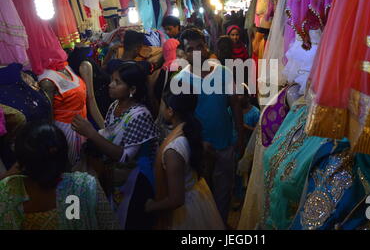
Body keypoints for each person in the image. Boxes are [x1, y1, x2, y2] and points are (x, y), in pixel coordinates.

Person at [71, 63, 160, 230]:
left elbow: (125, 156)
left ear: (132, 89)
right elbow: (109, 135)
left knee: (132, 219)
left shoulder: (140, 114)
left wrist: (92, 134)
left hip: (136, 179)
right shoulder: (115, 106)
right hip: (117, 176)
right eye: (112, 80)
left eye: (117, 82)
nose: (110, 85)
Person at [172, 28, 244, 224]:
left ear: (206, 47)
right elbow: (180, 117)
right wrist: (197, 142)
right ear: (184, 52)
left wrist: (240, 134)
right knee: (202, 193)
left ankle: (220, 224)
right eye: (190, 48)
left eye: (199, 46)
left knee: (224, 191)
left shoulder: (224, 72)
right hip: (197, 148)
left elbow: (235, 104)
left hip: (225, 142)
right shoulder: (180, 80)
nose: (196, 52)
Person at [0, 120, 119, 230]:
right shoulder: (80, 188)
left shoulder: (8, 190)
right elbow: (109, 225)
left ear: (21, 159)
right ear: (63, 154)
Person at [147, 91, 225, 230]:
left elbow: (176, 199)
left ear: (170, 111)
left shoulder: (174, 149)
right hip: (199, 198)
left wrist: (152, 206)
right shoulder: (190, 133)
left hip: (185, 212)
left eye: (163, 106)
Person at [38, 63, 88, 167]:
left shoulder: (66, 67)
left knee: (81, 164)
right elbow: (49, 118)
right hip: (65, 129)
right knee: (69, 166)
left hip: (81, 125)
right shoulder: (47, 80)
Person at [68, 44, 112, 128]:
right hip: (99, 108)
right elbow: (90, 98)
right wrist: (104, 128)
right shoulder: (84, 64)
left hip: (102, 105)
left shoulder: (78, 59)